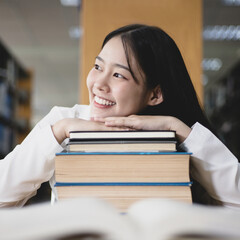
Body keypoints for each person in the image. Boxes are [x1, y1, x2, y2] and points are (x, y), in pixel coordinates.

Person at [0, 24, 239, 209]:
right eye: (98, 67)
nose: (99, 84)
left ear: (155, 95)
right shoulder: (65, 119)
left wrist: (176, 127)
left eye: (118, 75)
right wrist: (59, 131)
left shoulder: (175, 136)